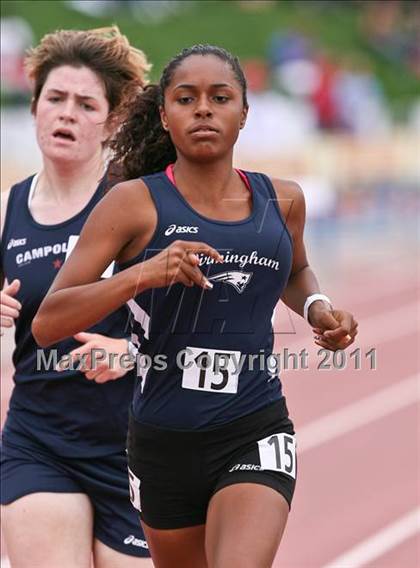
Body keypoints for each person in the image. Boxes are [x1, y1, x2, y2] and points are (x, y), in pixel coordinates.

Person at [32, 44, 358, 568]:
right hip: (162, 444)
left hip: (253, 426)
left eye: (220, 97)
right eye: (186, 98)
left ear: (244, 112)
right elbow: (48, 323)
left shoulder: (284, 200)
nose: (204, 109)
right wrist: (142, 273)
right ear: (165, 114)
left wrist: (318, 307)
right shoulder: (132, 204)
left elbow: (293, 270)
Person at [0, 27, 154, 567]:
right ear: (35, 107)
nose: (67, 113)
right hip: (39, 441)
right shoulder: (6, 210)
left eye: (86, 104)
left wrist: (134, 354)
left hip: (135, 449)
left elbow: (215, 320)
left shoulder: (140, 204)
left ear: (112, 119)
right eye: (55, 99)